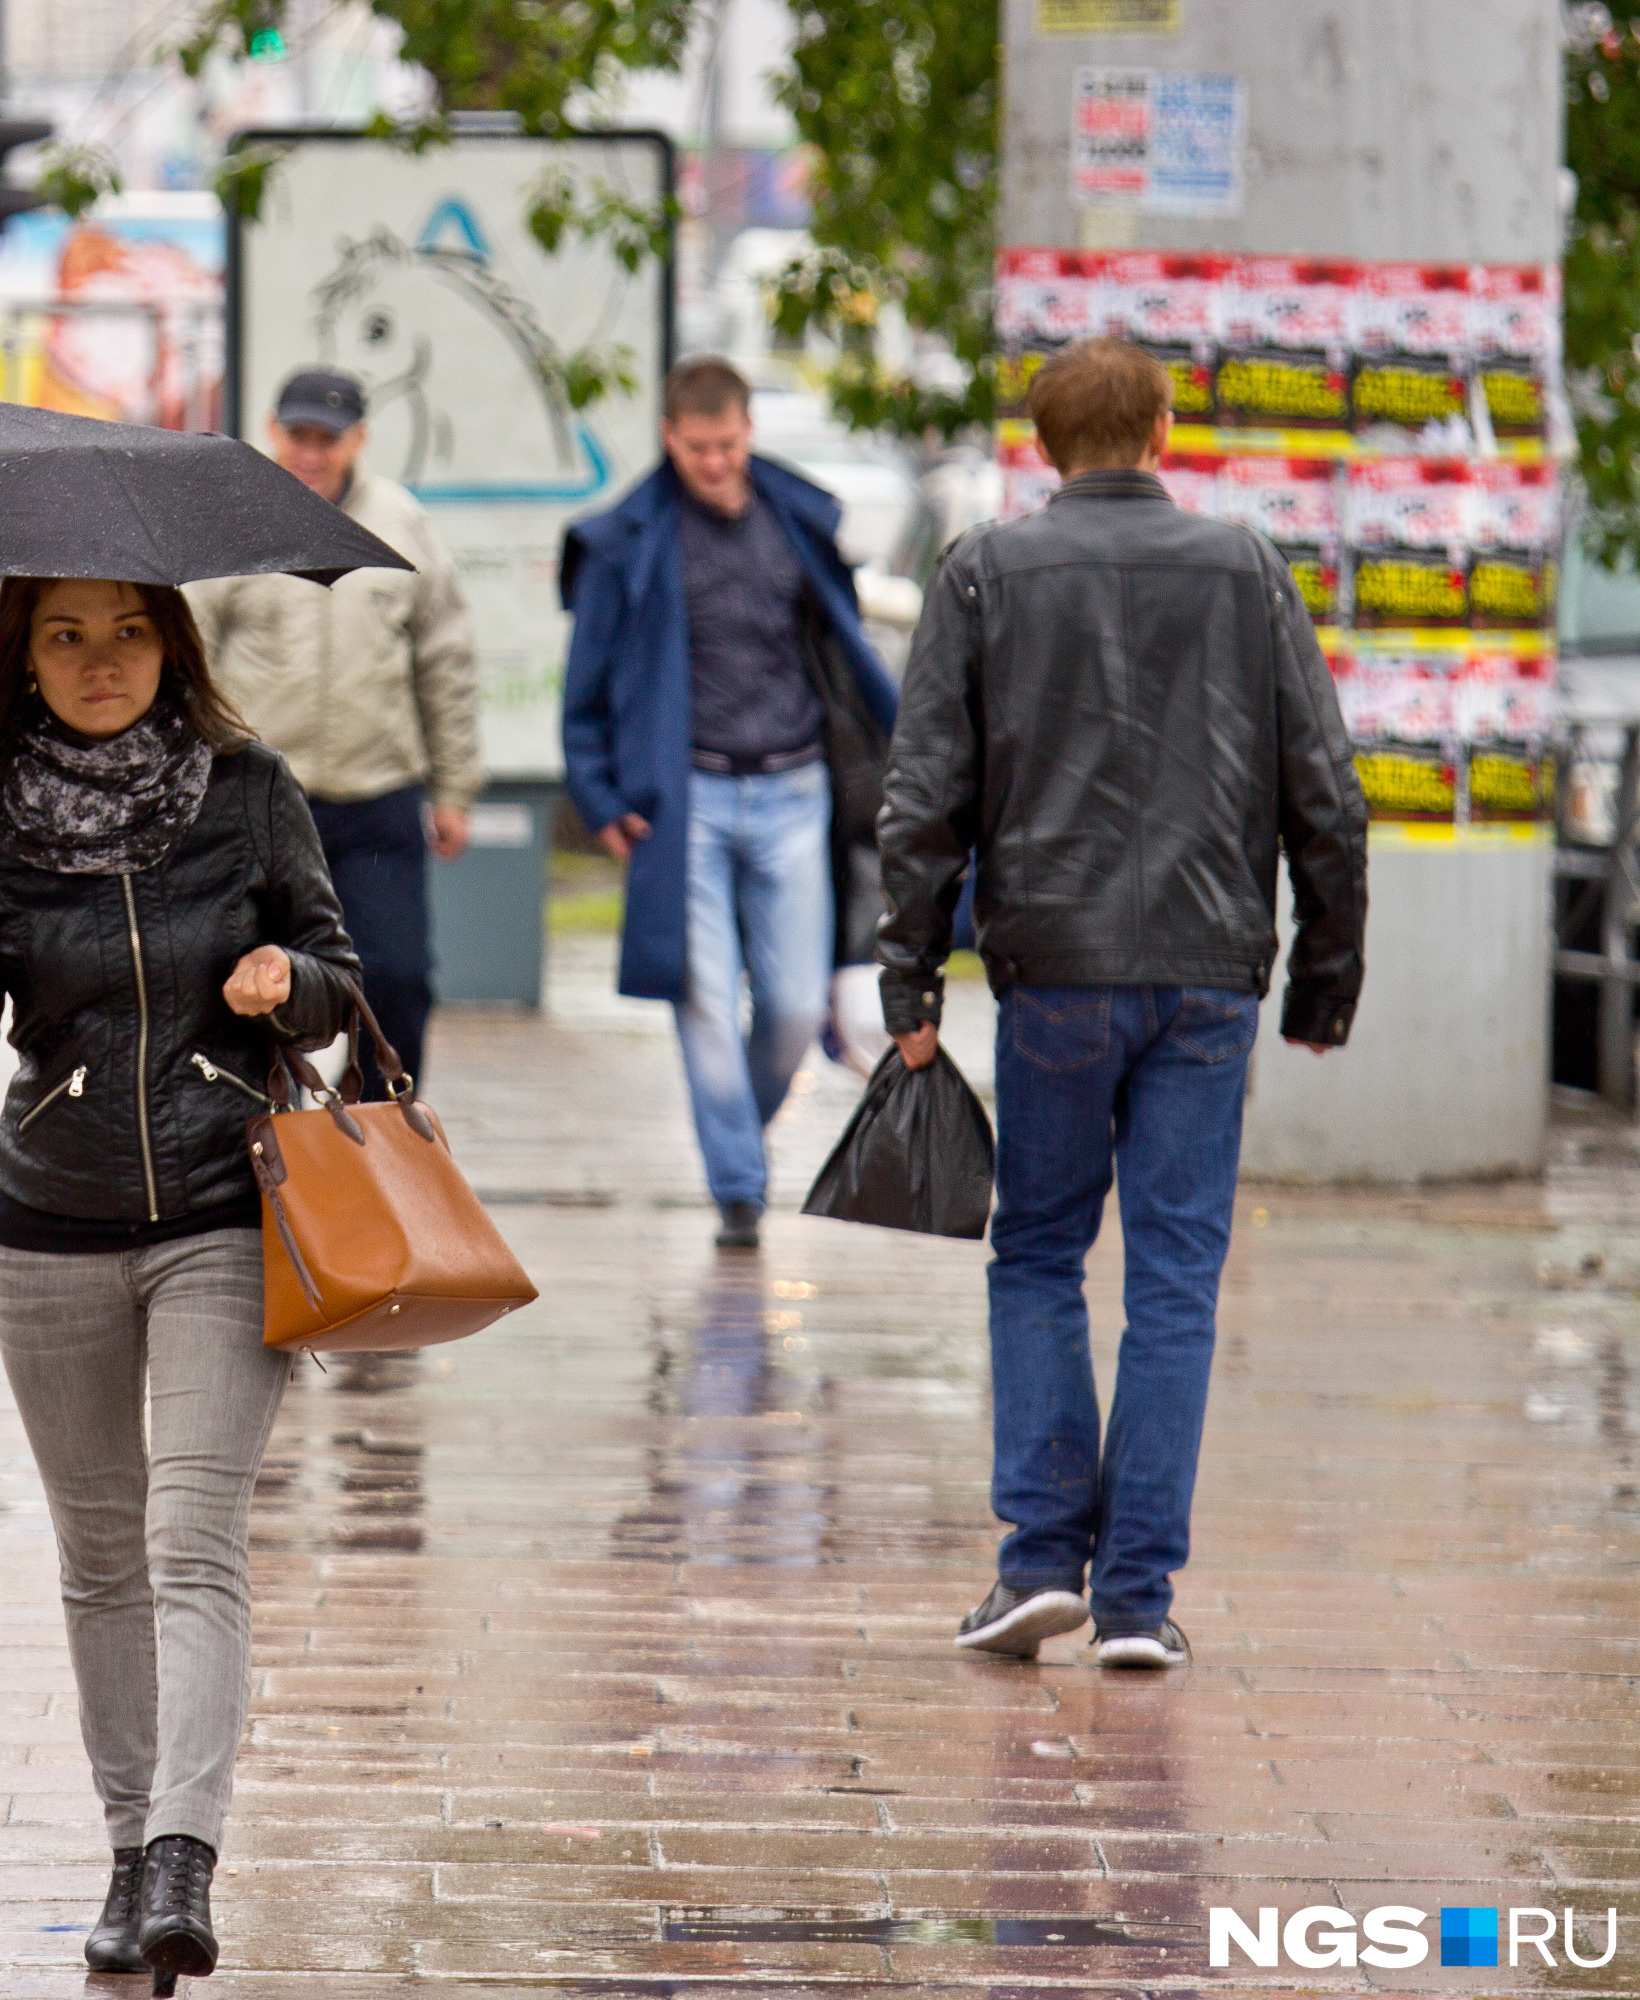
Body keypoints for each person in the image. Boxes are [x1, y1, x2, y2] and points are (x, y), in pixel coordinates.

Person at [878, 337, 1367, 1670]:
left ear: (1044, 447)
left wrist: (909, 975)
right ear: (1163, 430)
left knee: (1036, 1254)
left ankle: (1041, 1562)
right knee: (1175, 1277)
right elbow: (1324, 789)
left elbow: (924, 795)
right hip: (1210, 974)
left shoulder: (982, 571)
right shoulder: (1246, 569)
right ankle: (1140, 1598)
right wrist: (1325, 975)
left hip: (1052, 971)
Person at [0, 576, 360, 1990]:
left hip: (226, 1209)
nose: (100, 661)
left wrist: (292, 979)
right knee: (100, 1558)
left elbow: (346, 977)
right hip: (47, 1228)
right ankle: (123, 1851)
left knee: (192, 1537)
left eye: (128, 631)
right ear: (19, 659)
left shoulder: (249, 789)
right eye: (64, 635)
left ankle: (182, 1855)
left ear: (174, 643)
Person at [558, 356, 899, 1249]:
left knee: (791, 1005)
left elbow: (846, 656)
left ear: (750, 432)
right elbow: (584, 690)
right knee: (704, 1000)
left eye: (730, 445)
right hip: (687, 802)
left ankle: (734, 1137)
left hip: (796, 792)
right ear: (670, 438)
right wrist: (598, 797)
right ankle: (739, 1187)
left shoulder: (797, 521)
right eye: (698, 448)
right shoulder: (630, 542)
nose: (715, 463)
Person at [187, 369, 481, 1085]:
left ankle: (387, 1143)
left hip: (375, 797)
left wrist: (454, 789)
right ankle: (254, 1132)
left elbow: (444, 657)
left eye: (329, 437)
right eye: (298, 435)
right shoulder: (234, 521)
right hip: (256, 803)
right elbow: (187, 655)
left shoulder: (401, 522)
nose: (312, 452)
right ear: (271, 429)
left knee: (399, 980)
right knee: (242, 984)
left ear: (361, 439)